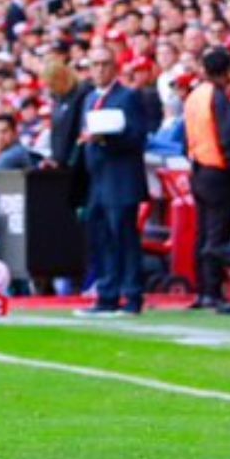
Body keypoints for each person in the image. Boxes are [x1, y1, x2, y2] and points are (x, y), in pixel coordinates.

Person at [74, 46, 150, 317]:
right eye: (94, 64)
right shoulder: (89, 99)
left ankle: (131, 296)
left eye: (104, 64)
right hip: (98, 180)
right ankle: (106, 294)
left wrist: (106, 138)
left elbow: (137, 136)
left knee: (124, 238)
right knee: (101, 238)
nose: (99, 70)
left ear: (115, 67)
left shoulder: (128, 97)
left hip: (121, 179)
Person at [184, 47, 230, 310]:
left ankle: (202, 288)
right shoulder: (219, 99)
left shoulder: (195, 95)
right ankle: (212, 289)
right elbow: (227, 139)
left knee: (203, 232)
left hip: (198, 167)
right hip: (218, 170)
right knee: (217, 232)